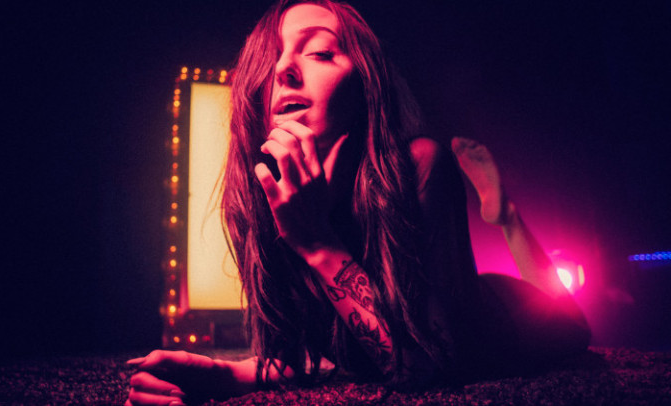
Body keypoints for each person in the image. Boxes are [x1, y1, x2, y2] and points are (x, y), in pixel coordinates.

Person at [125, 1, 590, 404]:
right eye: (272, 57)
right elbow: (305, 358)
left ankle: (506, 217)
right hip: (450, 286)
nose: (284, 69)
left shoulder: (421, 165)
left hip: (504, 317)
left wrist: (315, 241)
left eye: (319, 52)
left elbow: (427, 368)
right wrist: (222, 374)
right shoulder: (268, 195)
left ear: (365, 88)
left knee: (573, 323)